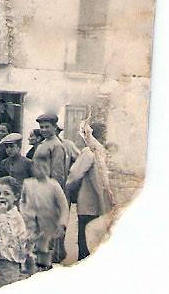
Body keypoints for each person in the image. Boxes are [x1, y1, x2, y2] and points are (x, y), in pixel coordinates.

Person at [66, 120, 115, 260]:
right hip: (95, 205)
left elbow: (76, 175)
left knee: (91, 243)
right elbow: (76, 175)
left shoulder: (94, 152)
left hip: (94, 205)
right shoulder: (96, 152)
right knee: (91, 242)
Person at [20, 159, 69, 272]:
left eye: (43, 167)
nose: (40, 170)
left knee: (44, 249)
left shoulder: (53, 185)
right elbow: (22, 200)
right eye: (37, 167)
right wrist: (25, 212)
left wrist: (62, 224)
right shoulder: (28, 183)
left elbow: (63, 205)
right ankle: (31, 271)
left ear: (48, 169)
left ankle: (45, 270)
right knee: (29, 248)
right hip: (30, 223)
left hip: (48, 222)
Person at [0, 176, 28, 290]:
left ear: (15, 196)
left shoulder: (15, 218)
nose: (2, 197)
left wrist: (2, 216)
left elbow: (8, 239)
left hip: (8, 263)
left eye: (6, 194)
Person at [32, 113, 70, 190]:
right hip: (39, 186)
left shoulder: (56, 145)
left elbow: (58, 173)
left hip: (48, 188)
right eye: (41, 127)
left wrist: (53, 192)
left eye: (47, 127)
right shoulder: (44, 143)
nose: (43, 130)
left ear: (55, 127)